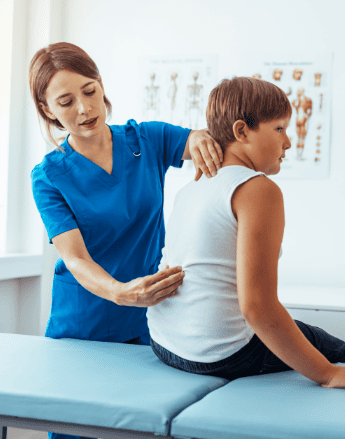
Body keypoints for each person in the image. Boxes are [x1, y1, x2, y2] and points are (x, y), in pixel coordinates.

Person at [30, 42, 223, 439]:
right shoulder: (48, 177)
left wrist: (205, 138)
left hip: (150, 318)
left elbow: (197, 141)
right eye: (66, 102)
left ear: (101, 85)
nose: (84, 109)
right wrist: (119, 291)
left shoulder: (146, 141)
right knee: (78, 431)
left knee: (140, 428)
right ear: (48, 109)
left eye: (89, 91)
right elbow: (75, 258)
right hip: (84, 326)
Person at [147, 77, 345, 389]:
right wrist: (328, 373)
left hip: (165, 344)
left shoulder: (190, 188)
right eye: (279, 129)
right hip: (219, 355)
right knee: (330, 348)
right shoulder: (258, 190)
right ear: (242, 131)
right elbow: (257, 308)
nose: (288, 142)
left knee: (304, 331)